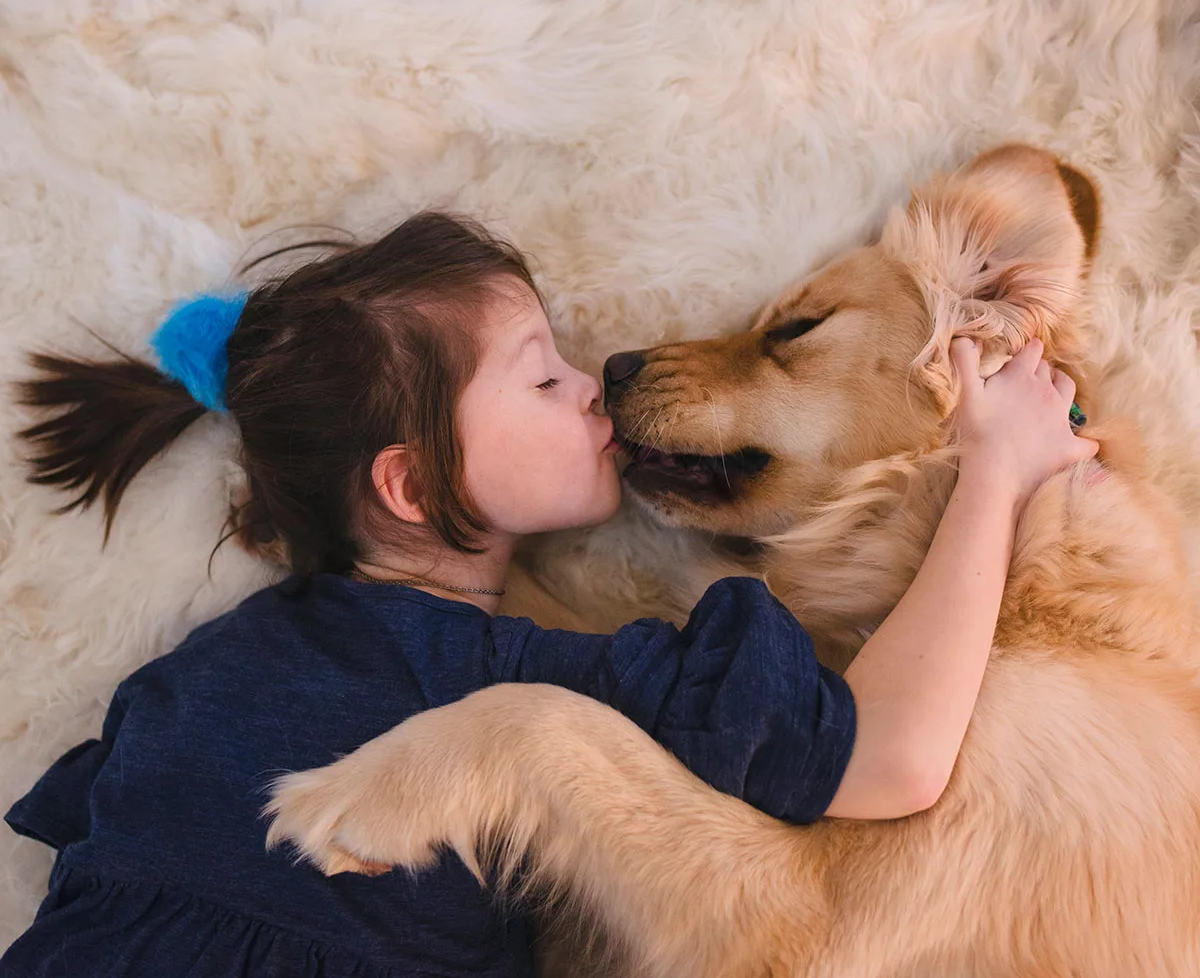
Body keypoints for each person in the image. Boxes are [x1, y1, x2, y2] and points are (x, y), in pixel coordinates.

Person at [1, 211, 1097, 977]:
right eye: (543, 375)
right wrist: (996, 474)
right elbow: (892, 757)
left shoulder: (187, 670)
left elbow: (90, 857)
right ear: (417, 483)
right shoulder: (531, 675)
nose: (597, 380)